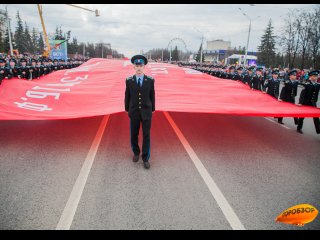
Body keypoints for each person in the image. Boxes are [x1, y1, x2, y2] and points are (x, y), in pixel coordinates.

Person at [125, 55, 155, 169]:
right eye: (136, 65)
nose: (138, 68)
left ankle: (145, 157)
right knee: (134, 134)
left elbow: (152, 95)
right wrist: (127, 109)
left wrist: (153, 109)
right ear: (133, 67)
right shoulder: (129, 81)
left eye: (141, 66)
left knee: (146, 135)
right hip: (134, 112)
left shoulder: (150, 80)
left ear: (144, 67)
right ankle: (136, 152)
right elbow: (127, 96)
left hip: (146, 112)